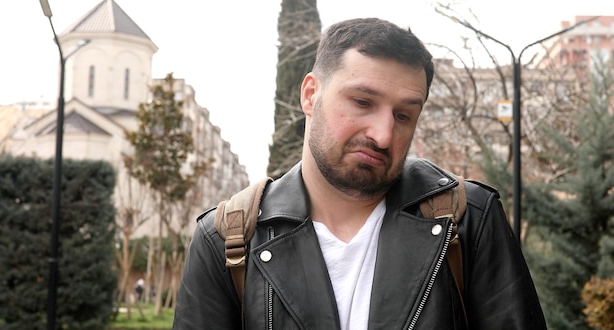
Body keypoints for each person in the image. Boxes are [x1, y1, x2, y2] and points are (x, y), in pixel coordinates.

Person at [173, 17, 546, 329]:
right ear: (310, 95)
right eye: (362, 102)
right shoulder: (227, 239)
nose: (383, 135)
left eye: (403, 115)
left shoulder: (468, 220)